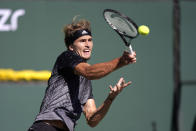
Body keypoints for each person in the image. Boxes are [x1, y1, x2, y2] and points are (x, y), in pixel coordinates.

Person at [28, 17, 136, 131]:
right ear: (71, 47)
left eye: (90, 40)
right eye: (82, 41)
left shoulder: (85, 82)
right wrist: (120, 61)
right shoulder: (66, 57)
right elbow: (89, 72)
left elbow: (92, 120)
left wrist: (110, 98)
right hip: (46, 128)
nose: (88, 44)